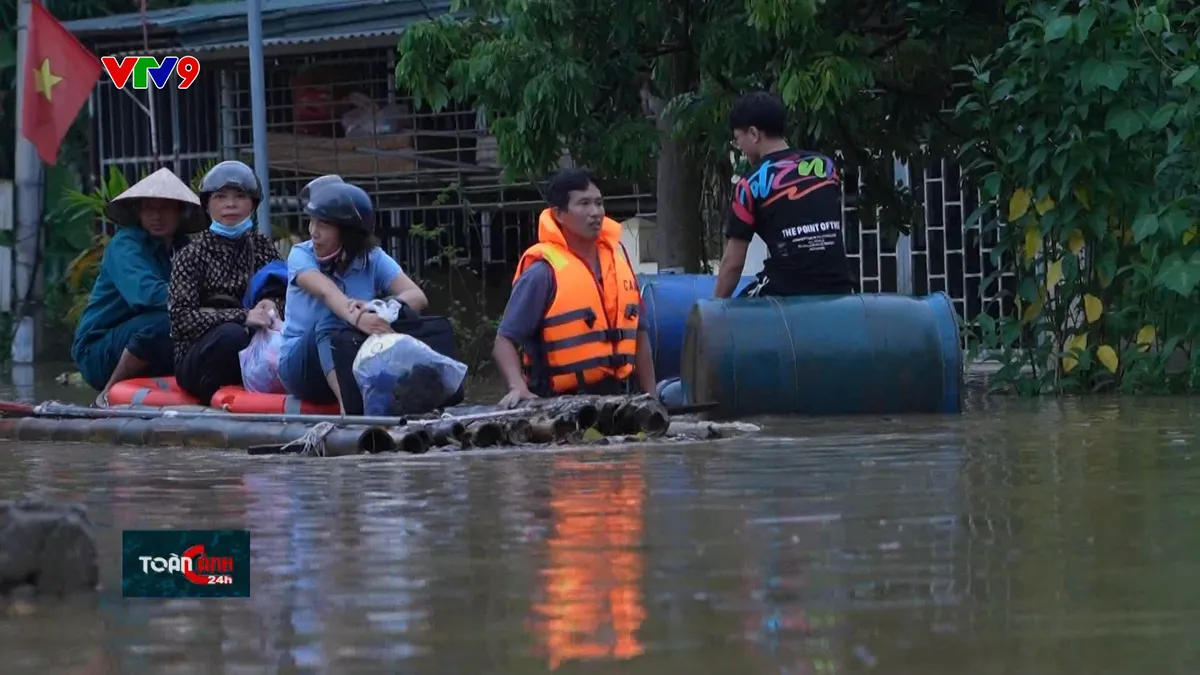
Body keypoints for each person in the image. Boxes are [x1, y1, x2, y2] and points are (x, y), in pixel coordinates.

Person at [493, 168, 656, 409]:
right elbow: (504, 340)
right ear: (559, 214)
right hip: (560, 405)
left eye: (599, 203)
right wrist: (518, 386)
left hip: (622, 402)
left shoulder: (618, 265)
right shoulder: (543, 272)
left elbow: (640, 337)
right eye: (584, 204)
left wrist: (652, 397)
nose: (595, 213)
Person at [278, 176, 429, 412]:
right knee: (332, 319)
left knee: (403, 316)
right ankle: (349, 408)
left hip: (354, 357)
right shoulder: (300, 255)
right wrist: (358, 317)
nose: (313, 232)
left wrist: (377, 308)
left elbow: (416, 296)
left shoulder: (374, 258)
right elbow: (328, 293)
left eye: (324, 225)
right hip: (301, 367)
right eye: (312, 222)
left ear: (347, 233)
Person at [71, 168, 205, 406]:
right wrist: (202, 307)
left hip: (154, 337)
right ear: (139, 212)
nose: (156, 216)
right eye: (149, 208)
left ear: (179, 211)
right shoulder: (126, 245)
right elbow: (145, 294)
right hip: (99, 350)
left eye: (164, 208)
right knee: (173, 320)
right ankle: (108, 393)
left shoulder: (185, 248)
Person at [713, 90, 856, 299]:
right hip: (839, 286)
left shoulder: (750, 184)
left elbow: (733, 264)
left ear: (753, 134)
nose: (740, 148)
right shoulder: (826, 167)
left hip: (787, 291)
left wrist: (714, 309)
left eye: (737, 140)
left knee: (737, 309)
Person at [168, 160, 286, 404]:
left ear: (253, 204)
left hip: (257, 348)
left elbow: (284, 292)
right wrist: (242, 316)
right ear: (208, 205)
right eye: (220, 197)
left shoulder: (263, 247)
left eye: (240, 196)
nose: (230, 204)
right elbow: (181, 320)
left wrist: (270, 305)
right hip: (199, 358)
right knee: (233, 335)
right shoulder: (191, 255)